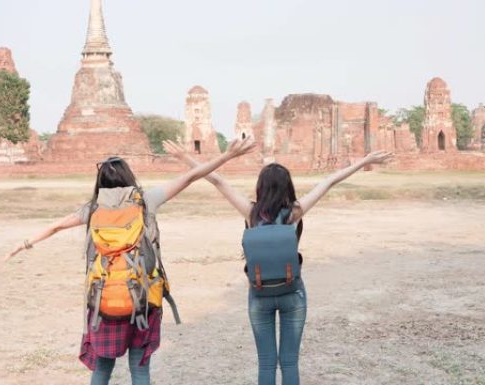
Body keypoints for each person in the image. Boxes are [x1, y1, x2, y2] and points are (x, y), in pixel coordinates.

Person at [5, 137, 256, 385]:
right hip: (142, 301)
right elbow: (190, 177)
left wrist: (25, 243)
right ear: (128, 177)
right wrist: (227, 156)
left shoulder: (93, 210)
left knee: (102, 370)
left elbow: (57, 225)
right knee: (140, 370)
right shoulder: (146, 202)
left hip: (104, 302)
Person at [164, 140, 392, 385]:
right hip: (292, 292)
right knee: (290, 361)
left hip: (259, 294)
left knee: (266, 361)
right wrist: (365, 161)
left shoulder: (250, 212)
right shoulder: (295, 212)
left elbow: (217, 180)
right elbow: (329, 181)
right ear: (288, 187)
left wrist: (185, 156)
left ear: (260, 187)